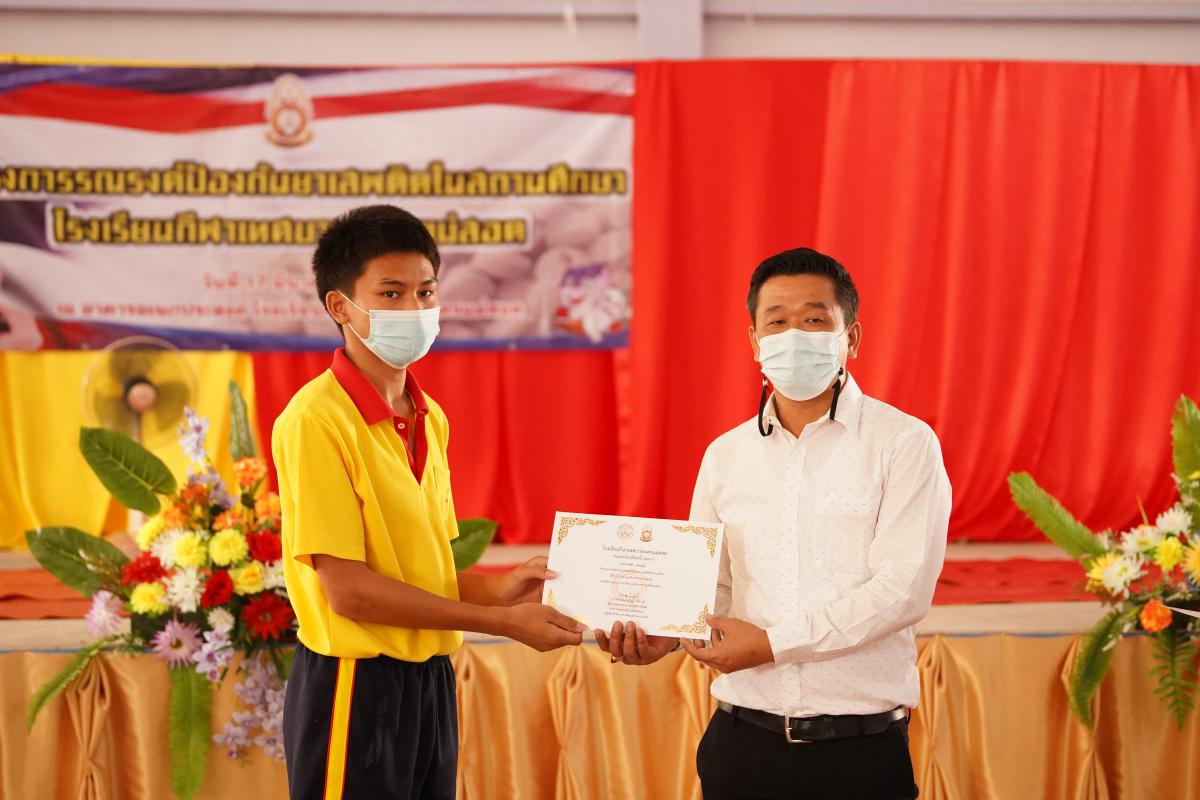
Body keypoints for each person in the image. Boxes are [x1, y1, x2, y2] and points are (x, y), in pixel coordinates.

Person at [597, 247, 951, 800]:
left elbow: (901, 591)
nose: (794, 336)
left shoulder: (903, 444)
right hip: (741, 744)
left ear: (852, 337)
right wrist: (665, 633)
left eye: (815, 319)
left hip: (859, 753)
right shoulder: (725, 455)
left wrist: (773, 644)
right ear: (755, 340)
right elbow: (708, 588)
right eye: (777, 321)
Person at [275, 204, 584, 800]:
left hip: (430, 682)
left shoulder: (429, 416)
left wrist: (503, 588)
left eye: (425, 292)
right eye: (390, 294)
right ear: (340, 307)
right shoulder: (315, 420)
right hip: (353, 685)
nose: (414, 310)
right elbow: (350, 591)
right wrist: (500, 623)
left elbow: (423, 574)